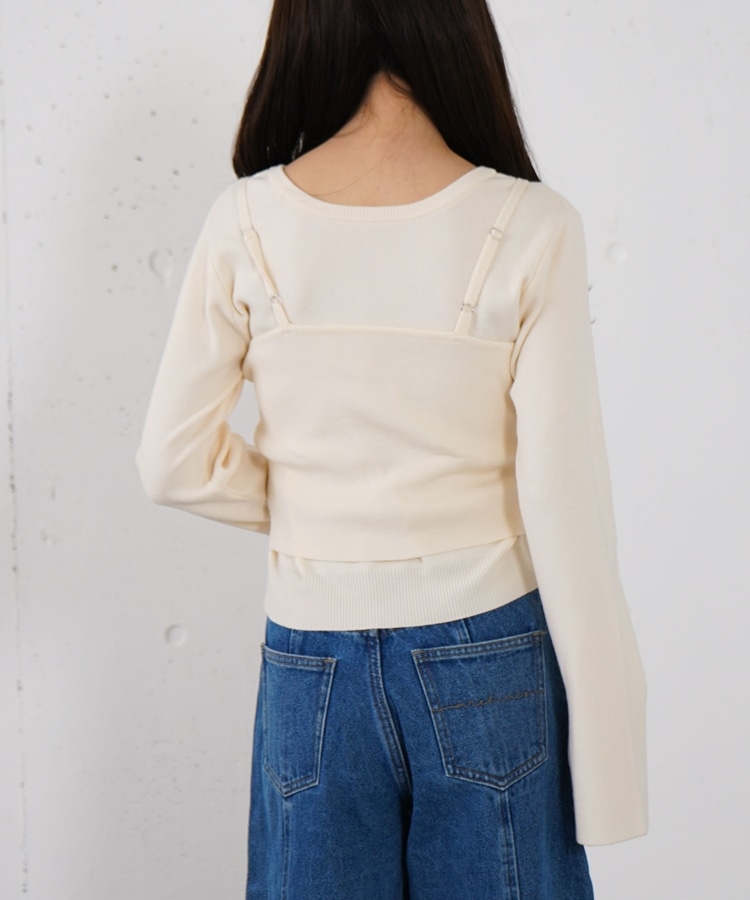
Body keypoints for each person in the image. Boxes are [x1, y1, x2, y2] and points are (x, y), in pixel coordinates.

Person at [135, 1, 648, 897]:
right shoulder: (532, 224)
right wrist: (611, 774)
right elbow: (565, 504)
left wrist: (324, 504)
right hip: (490, 651)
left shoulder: (243, 220)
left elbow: (170, 461)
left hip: (310, 663)